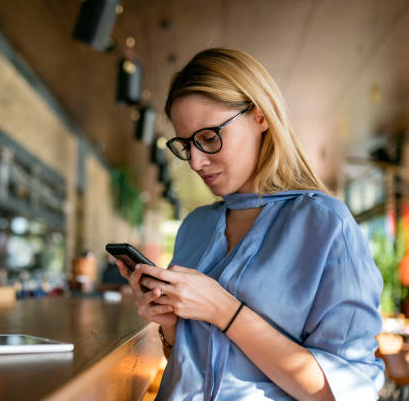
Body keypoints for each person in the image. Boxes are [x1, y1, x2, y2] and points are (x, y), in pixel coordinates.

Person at [116, 48, 384, 400]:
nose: (195, 161)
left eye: (209, 138)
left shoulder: (326, 224)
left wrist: (222, 309)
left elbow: (348, 391)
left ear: (259, 116)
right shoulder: (195, 227)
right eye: (185, 145)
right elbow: (187, 365)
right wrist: (170, 325)